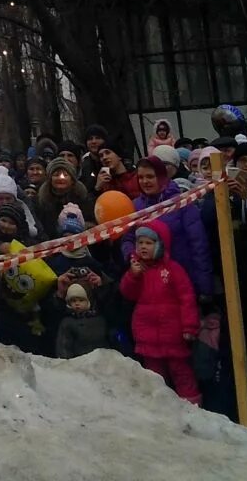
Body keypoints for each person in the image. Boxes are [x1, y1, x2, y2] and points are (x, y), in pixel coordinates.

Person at [120, 223, 200, 403]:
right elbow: (128, 293)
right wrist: (133, 276)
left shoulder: (173, 269)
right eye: (140, 242)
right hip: (147, 336)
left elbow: (186, 298)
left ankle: (192, 408)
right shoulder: (137, 270)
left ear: (160, 245)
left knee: (182, 374)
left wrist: (189, 326)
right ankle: (159, 409)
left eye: (148, 243)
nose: (143, 247)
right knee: (154, 378)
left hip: (173, 335)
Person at [121, 157, 212, 295]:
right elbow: (127, 239)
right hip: (150, 282)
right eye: (141, 177)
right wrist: (133, 256)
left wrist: (204, 285)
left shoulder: (182, 203)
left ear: (162, 177)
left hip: (182, 279)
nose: (145, 181)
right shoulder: (135, 206)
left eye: (150, 176)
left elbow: (198, 244)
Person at [54, 282, 109, 359]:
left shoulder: (100, 319)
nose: (77, 303)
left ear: (88, 301)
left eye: (81, 300)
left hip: (101, 362)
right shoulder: (67, 322)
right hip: (78, 363)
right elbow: (64, 346)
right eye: (73, 301)